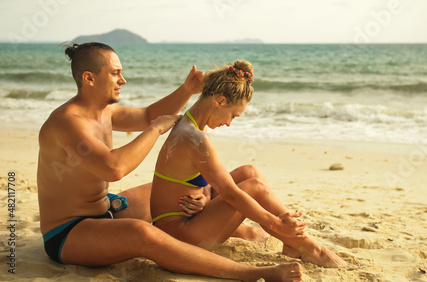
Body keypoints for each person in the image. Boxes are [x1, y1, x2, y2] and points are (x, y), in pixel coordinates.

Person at [37, 42, 302, 281]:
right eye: (115, 73)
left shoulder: (104, 112)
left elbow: (150, 113)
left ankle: (234, 225)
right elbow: (114, 167)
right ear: (89, 78)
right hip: (69, 232)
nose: (123, 80)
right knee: (143, 234)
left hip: (107, 209)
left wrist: (188, 89)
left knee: (174, 193)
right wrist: (154, 130)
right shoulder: (66, 123)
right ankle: (252, 274)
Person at [150, 60, 350, 268]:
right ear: (219, 101)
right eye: (233, 115)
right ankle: (312, 249)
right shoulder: (196, 137)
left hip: (185, 219)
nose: (228, 123)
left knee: (249, 171)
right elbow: (230, 193)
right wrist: (277, 224)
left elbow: (196, 181)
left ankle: (293, 243)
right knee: (253, 187)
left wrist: (205, 196)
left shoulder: (191, 123)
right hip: (177, 235)